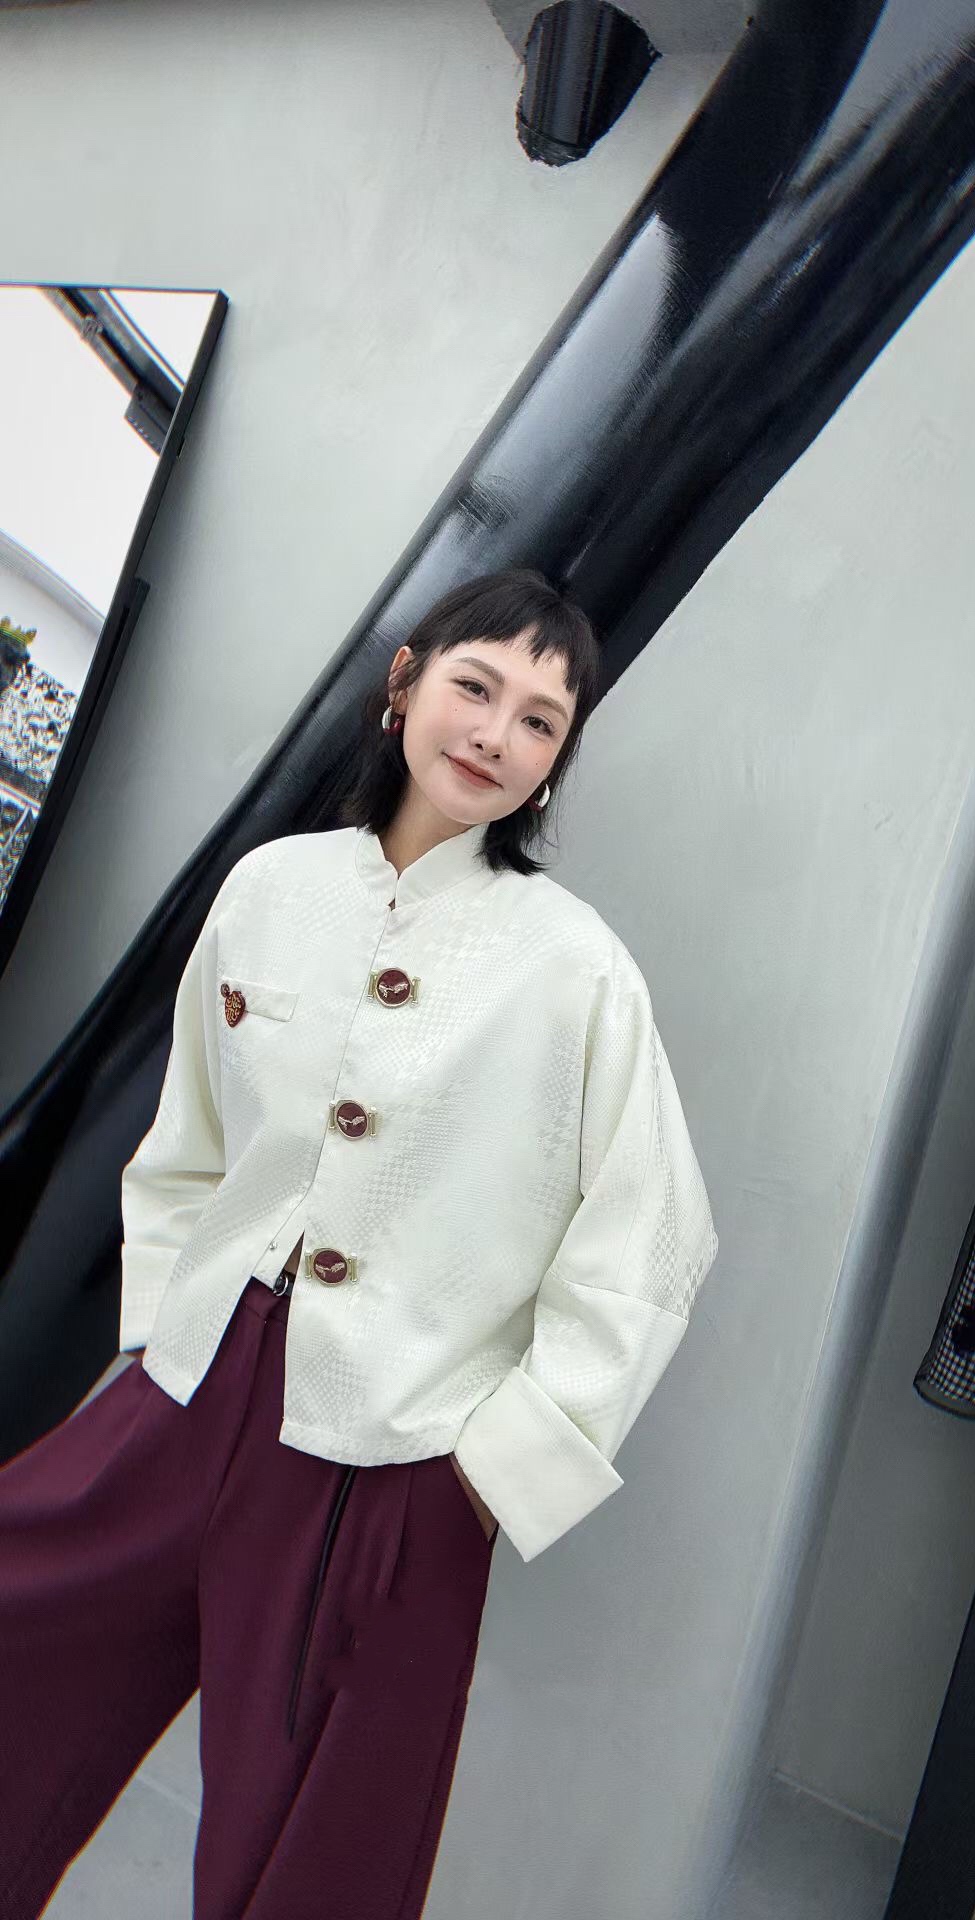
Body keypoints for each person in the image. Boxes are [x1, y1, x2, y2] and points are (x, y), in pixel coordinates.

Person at [0, 567, 718, 1919]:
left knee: (319, 1845)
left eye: (541, 721)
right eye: (475, 687)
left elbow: (654, 1235)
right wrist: (162, 1328)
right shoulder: (272, 890)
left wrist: (495, 1475)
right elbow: (191, 1133)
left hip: (396, 1454)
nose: (496, 734)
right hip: (193, 1388)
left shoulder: (576, 970)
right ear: (405, 684)